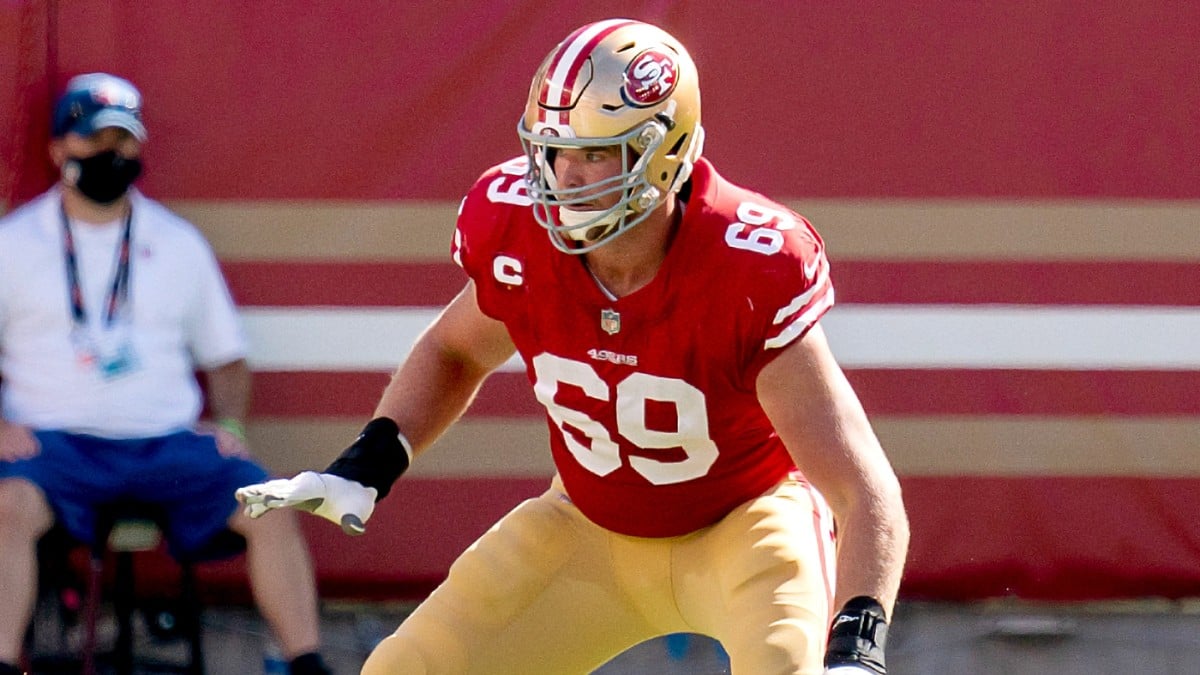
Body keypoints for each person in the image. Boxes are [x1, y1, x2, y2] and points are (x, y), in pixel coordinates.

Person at [238, 18, 909, 675]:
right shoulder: (517, 234)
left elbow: (861, 490)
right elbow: (455, 349)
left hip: (745, 527)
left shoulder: (747, 264)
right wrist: (371, 459)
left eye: (595, 153)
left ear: (665, 151)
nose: (566, 175)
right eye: (554, 149)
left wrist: (857, 648)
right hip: (588, 526)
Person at [0, 73, 332, 675]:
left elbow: (227, 358)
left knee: (271, 505)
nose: (113, 156)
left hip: (165, 444)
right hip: (53, 446)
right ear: (58, 150)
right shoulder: (14, 243)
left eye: (124, 143)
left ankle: (305, 661)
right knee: (6, 508)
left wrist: (230, 421)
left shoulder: (177, 243)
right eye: (96, 141)